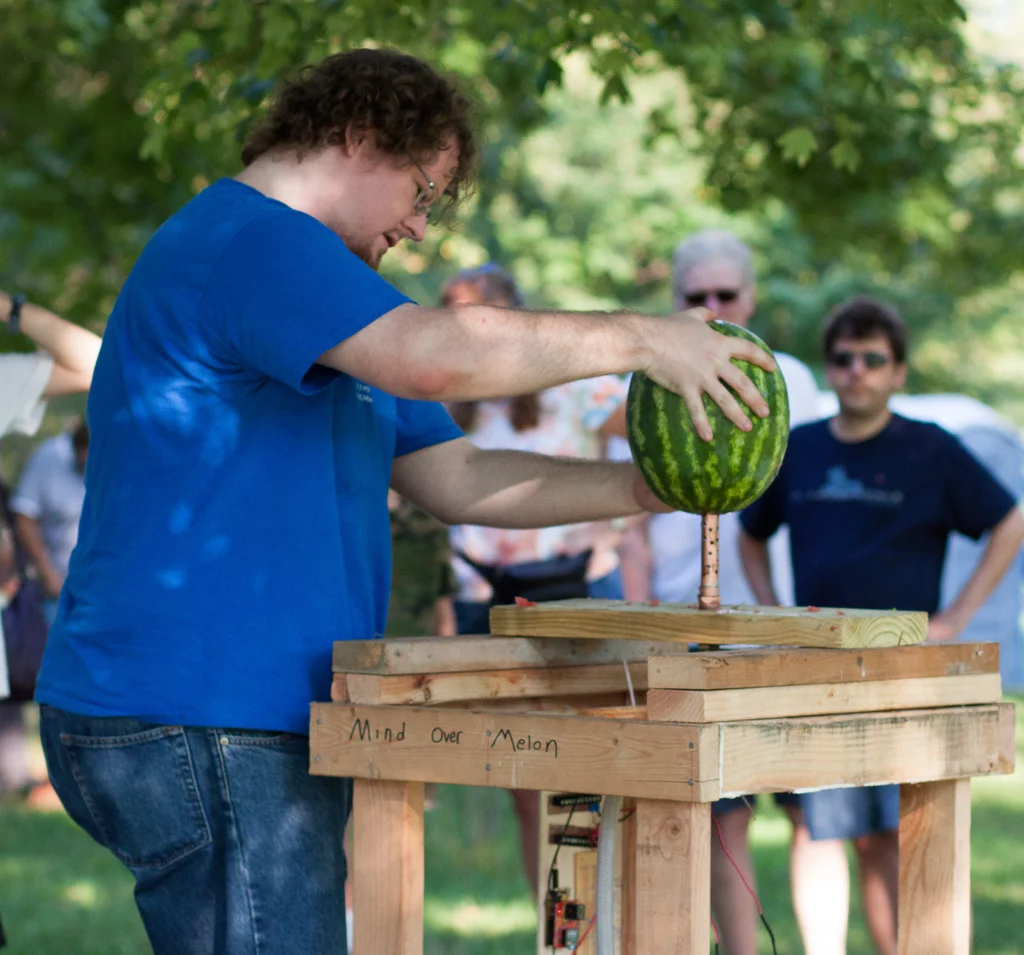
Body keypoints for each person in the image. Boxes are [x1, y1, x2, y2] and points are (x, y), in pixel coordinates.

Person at [31, 48, 776, 955]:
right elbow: (435, 355)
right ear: (359, 136)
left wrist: (636, 487)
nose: (421, 228)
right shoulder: (255, 239)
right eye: (423, 192)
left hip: (222, 713)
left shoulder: (334, 300)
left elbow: (457, 478)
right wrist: (643, 340)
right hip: (201, 711)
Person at [739, 296, 1024, 955]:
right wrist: (776, 611)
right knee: (817, 824)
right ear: (829, 368)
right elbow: (752, 532)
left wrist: (957, 616)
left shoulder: (932, 450)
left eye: (874, 359)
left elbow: (1009, 521)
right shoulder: (797, 448)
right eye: (844, 358)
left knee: (894, 831)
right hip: (817, 669)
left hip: (905, 671)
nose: (857, 371)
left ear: (898, 371)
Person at [613, 229, 822, 955]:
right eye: (693, 296)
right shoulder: (646, 378)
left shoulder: (785, 375)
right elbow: (629, 523)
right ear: (673, 299)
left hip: (779, 630)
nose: (709, 307)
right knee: (717, 810)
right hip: (682, 630)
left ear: (750, 296)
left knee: (809, 810)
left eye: (723, 296)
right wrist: (642, 624)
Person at [438, 263, 629, 893]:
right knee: (521, 773)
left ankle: (605, 921)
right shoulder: (444, 402)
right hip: (487, 596)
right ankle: (554, 924)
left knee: (592, 772)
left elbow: (651, 432)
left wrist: (615, 527)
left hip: (574, 591)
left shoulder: (574, 388)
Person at [10, 420, 89, 625]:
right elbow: (24, 516)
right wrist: (48, 574)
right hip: (58, 586)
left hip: (102, 586)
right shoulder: (49, 457)